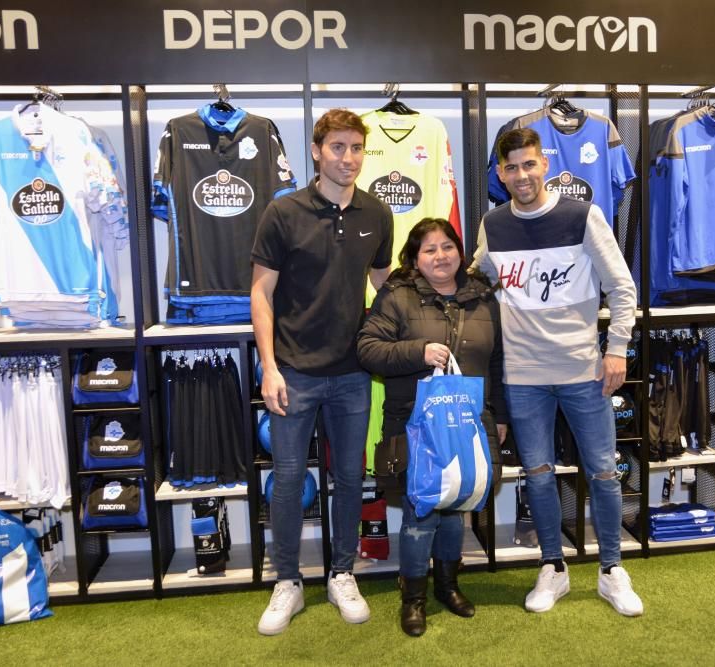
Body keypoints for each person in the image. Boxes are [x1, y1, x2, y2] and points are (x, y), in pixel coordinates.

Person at [472, 127, 643, 617]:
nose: (522, 175)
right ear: (500, 174)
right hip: (523, 376)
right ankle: (554, 568)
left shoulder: (582, 216)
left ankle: (611, 570)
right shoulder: (494, 225)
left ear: (544, 164)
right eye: (511, 168)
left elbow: (622, 288)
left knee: (604, 473)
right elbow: (478, 279)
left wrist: (617, 350)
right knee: (539, 475)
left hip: (584, 370)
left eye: (529, 164)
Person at [250, 108, 394, 636]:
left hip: (354, 373)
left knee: (351, 477)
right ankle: (287, 580)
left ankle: (341, 573)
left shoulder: (377, 213)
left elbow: (384, 281)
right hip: (293, 372)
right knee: (288, 479)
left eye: (356, 148)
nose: (348, 158)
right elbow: (260, 292)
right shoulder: (283, 212)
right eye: (338, 147)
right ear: (316, 151)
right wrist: (269, 367)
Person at [357, 218, 508, 637]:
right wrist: (418, 352)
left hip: (470, 423)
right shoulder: (396, 295)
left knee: (455, 509)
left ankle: (447, 585)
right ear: (414, 257)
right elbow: (368, 349)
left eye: (447, 247)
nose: (440, 256)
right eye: (429, 250)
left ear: (459, 251)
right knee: (421, 513)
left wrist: (501, 417)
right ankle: (413, 598)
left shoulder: (482, 297)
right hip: (413, 424)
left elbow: (497, 362)